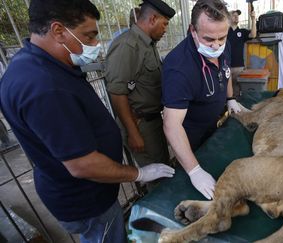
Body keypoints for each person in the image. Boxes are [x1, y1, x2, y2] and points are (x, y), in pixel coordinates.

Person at [0, 1, 175, 242]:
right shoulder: (43, 86)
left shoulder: (46, 64)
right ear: (59, 31)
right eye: (89, 36)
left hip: (88, 193)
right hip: (86, 201)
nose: (96, 44)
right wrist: (138, 173)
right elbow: (83, 165)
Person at [162, 0, 244, 200]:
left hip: (215, 123)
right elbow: (172, 125)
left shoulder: (225, 44)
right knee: (197, 185)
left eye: (221, 38)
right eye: (208, 39)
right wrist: (194, 171)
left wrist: (231, 98)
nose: (216, 45)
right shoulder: (179, 67)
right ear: (193, 30)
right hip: (191, 135)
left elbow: (225, 74)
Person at [105, 0, 175, 170]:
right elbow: (117, 92)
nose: (166, 29)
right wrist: (133, 133)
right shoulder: (127, 45)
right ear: (152, 19)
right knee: (158, 176)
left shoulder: (147, 43)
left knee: (163, 167)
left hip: (151, 120)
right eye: (164, 24)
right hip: (139, 123)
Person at [227, 5, 256, 96]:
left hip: (238, 67)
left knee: (237, 90)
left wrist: (253, 19)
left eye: (237, 15)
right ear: (228, 18)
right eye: (233, 15)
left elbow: (253, 35)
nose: (236, 16)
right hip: (225, 66)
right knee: (225, 91)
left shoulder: (242, 32)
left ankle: (236, 108)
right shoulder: (224, 31)